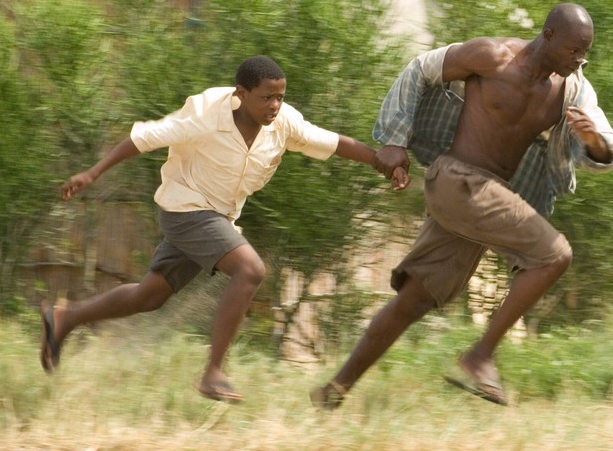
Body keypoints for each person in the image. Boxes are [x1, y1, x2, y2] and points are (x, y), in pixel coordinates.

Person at [44, 56, 409, 402]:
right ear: (241, 94)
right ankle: (213, 371)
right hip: (185, 208)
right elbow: (144, 138)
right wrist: (92, 173)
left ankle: (66, 317)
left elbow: (331, 142)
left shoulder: (283, 124)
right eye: (266, 97)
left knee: (150, 296)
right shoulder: (205, 114)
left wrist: (382, 163)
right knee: (250, 270)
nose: (274, 106)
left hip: (218, 216)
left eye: (280, 97)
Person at [311, 3, 613, 409]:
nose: (580, 59)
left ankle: (333, 391)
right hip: (456, 180)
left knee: (415, 300)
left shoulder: (573, 90)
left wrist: (594, 141)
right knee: (554, 255)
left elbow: (605, 140)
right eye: (573, 50)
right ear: (548, 36)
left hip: (485, 198)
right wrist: (394, 138)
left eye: (585, 52)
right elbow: (421, 68)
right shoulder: (492, 56)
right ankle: (479, 356)